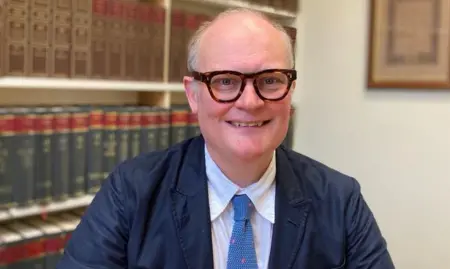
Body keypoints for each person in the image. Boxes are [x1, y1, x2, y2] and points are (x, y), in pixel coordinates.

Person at [57, 7, 395, 269]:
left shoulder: (340, 199)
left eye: (271, 80)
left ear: (290, 91)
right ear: (193, 95)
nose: (250, 102)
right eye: (225, 81)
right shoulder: (131, 192)